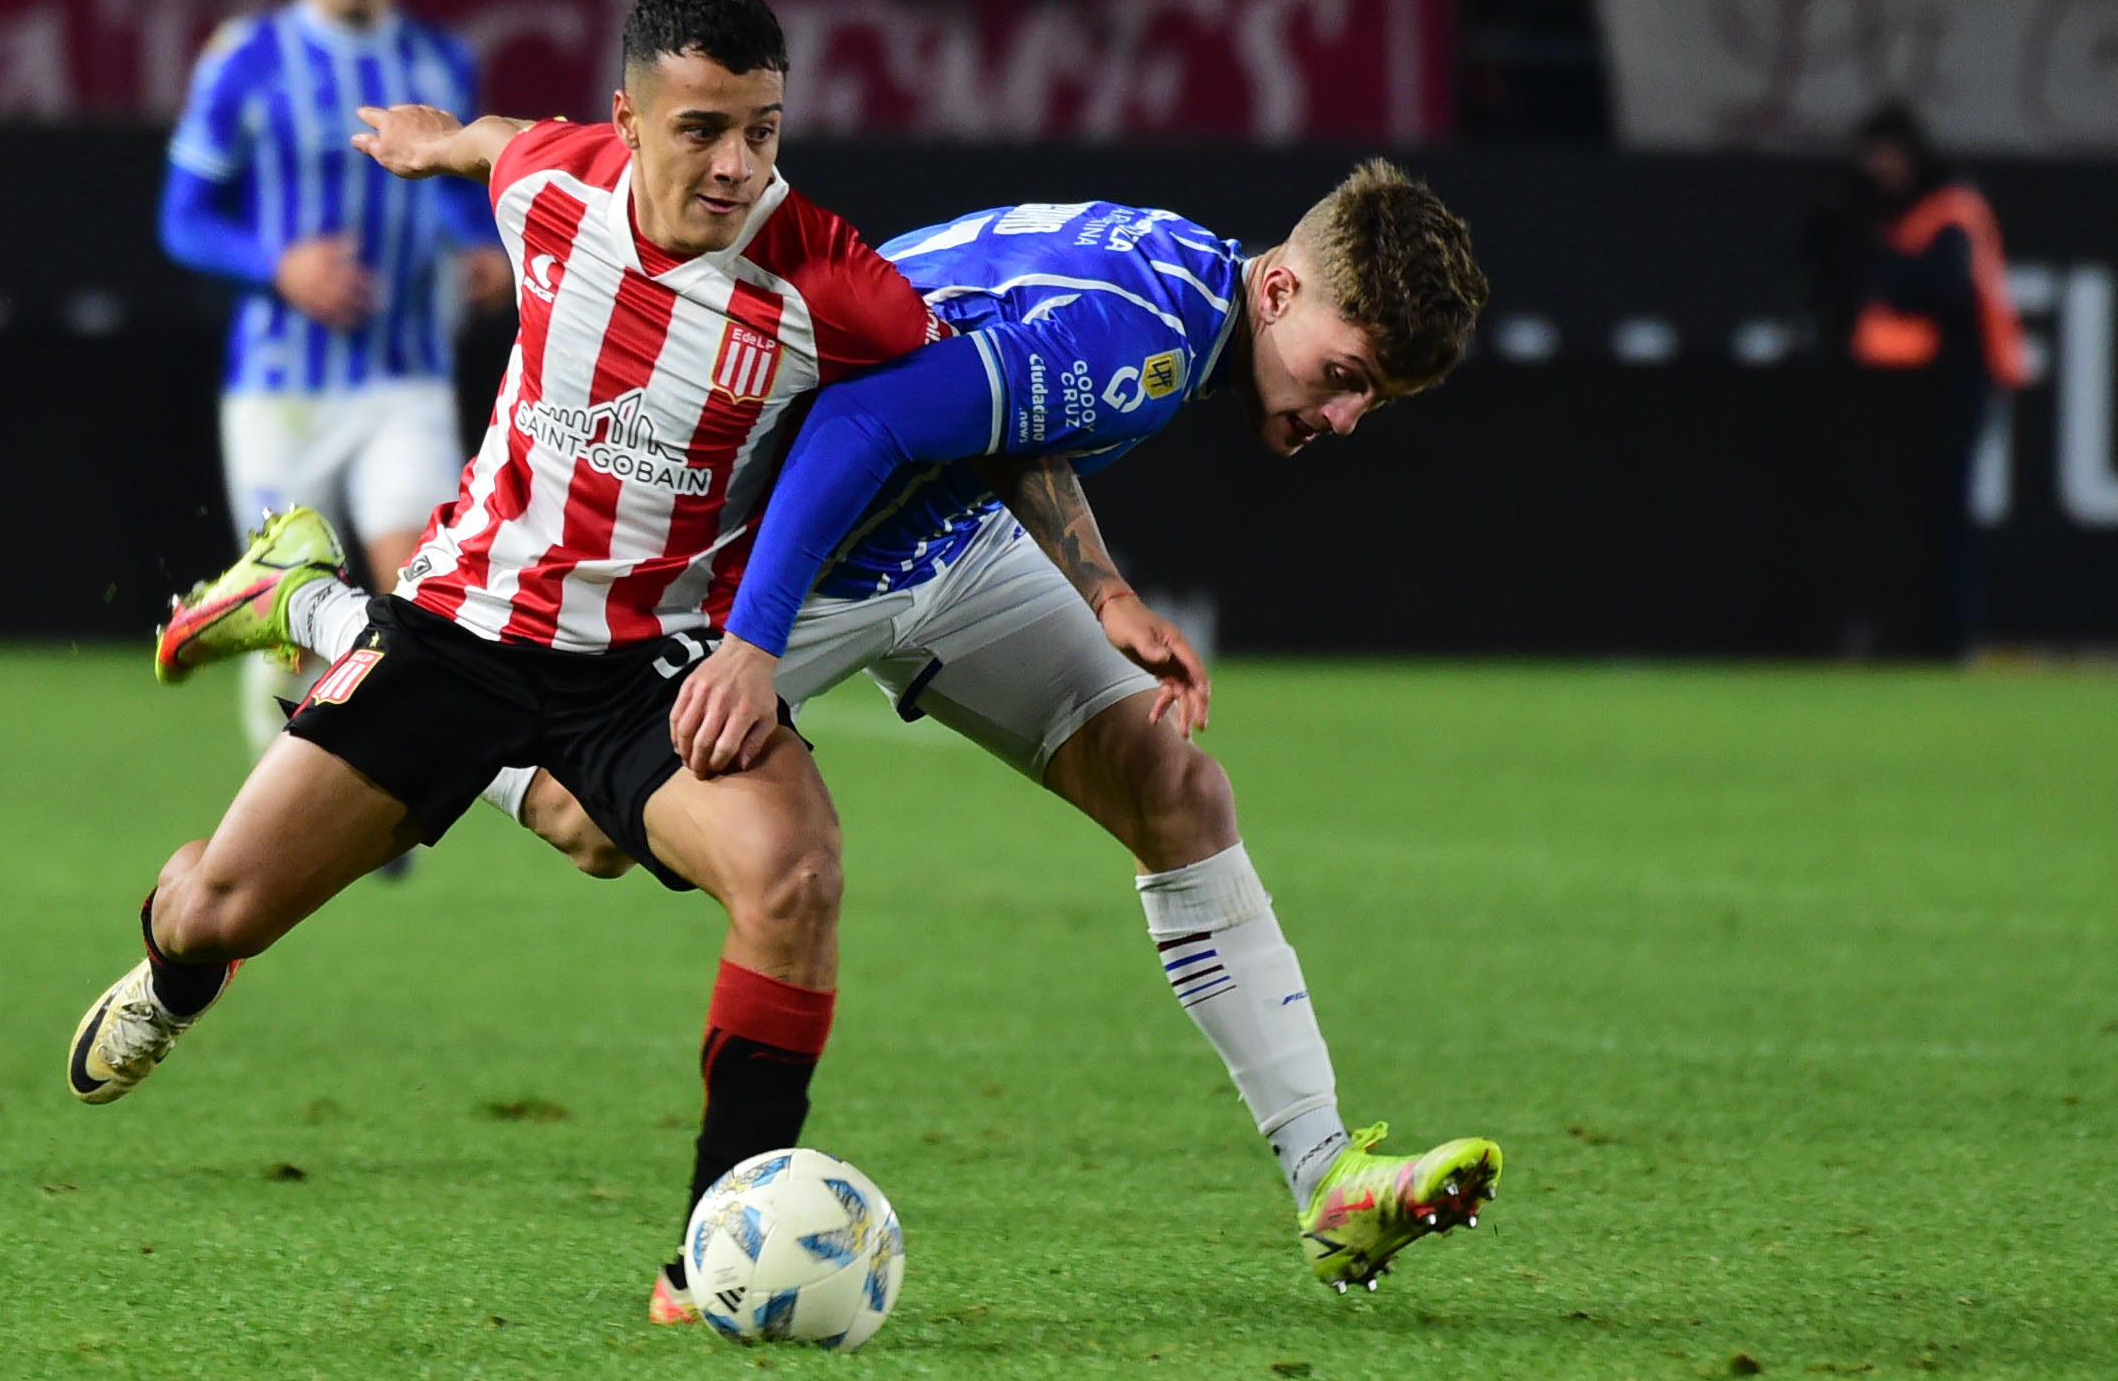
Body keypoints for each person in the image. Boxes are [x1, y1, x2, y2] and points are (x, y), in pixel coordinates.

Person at [157, 167, 1503, 1313]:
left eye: (1369, 401)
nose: (1342, 418)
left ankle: (1327, 1175)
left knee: (1171, 782)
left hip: (944, 549)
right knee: (585, 830)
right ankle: (319, 610)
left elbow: (1002, 408)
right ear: (1282, 292)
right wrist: (745, 645)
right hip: (784, 560)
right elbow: (862, 418)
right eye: (1346, 376)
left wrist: (1098, 589)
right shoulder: (1140, 324)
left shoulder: (1182, 287)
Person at [71, 0, 962, 1300]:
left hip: (640, 665)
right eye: (703, 128)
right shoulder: (558, 182)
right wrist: (438, 141)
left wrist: (1096, 583)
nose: (735, 166)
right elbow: (511, 140)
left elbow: (979, 399)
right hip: (458, 634)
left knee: (792, 875)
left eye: (764, 132)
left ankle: (711, 1259)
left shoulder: (829, 280)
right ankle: (296, 627)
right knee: (215, 911)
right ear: (630, 120)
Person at [156, 0, 511, 761]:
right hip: (281, 390)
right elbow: (183, 217)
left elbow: (460, 202)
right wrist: (277, 264)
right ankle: (296, 778)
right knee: (294, 612)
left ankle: (387, 785)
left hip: (407, 379)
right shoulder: (247, 58)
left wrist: (484, 251)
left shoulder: (440, 61)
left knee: (418, 595)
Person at [1819, 102, 2027, 657]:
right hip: (1904, 387)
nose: (1879, 166)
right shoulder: (1879, 209)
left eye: (1887, 153)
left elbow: (1940, 288)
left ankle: (1952, 637)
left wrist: (1881, 276)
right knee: (1897, 512)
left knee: (1948, 509)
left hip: (1961, 379)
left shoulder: (1952, 207)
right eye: (1871, 155)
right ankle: (1900, 630)